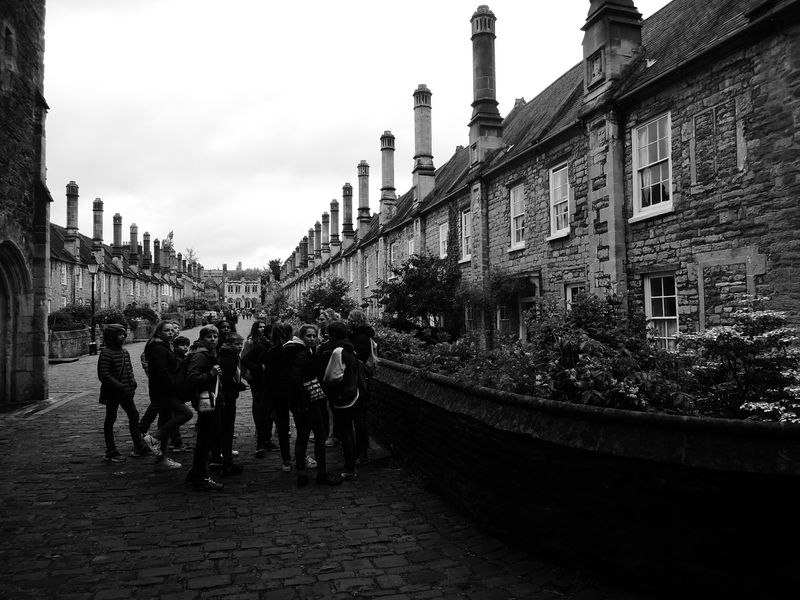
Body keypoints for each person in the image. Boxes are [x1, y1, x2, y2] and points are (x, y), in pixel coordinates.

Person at [284, 324, 341, 487]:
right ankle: (321, 474)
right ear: (301, 337)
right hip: (309, 402)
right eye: (308, 336)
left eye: (314, 336)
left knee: (302, 437)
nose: (312, 339)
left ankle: (302, 475)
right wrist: (304, 401)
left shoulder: (301, 350)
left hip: (302, 402)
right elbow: (295, 378)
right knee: (319, 436)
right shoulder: (302, 354)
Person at [142, 320, 194, 471]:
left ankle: (161, 458)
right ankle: (154, 437)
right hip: (164, 391)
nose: (171, 332)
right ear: (159, 332)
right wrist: (174, 385)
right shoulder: (157, 347)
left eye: (172, 330)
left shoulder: (164, 345)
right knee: (186, 413)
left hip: (163, 390)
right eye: (167, 330)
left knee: (165, 421)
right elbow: (161, 371)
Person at [97, 324, 151, 462]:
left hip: (126, 392)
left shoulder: (124, 352)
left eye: (123, 334)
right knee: (111, 419)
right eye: (119, 334)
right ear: (112, 337)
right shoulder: (106, 353)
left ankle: (139, 445)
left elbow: (129, 369)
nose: (123, 337)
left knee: (134, 415)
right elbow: (104, 374)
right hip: (113, 392)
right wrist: (119, 386)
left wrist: (132, 382)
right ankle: (111, 451)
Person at [322, 320, 366, 481]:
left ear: (333, 334)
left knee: (345, 431)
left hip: (343, 396)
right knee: (348, 431)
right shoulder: (350, 348)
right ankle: (351, 463)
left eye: (329, 334)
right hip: (354, 395)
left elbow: (331, 376)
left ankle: (350, 468)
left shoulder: (338, 351)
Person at [184, 325, 225, 491]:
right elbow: (192, 379)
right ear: (202, 338)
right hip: (205, 401)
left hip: (210, 399)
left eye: (215, 336)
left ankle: (196, 472)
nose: (213, 339)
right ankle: (201, 477)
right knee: (205, 439)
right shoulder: (200, 356)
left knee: (207, 437)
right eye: (209, 336)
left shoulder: (209, 353)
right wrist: (211, 374)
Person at [241, 320, 278, 456]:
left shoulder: (277, 346)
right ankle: (262, 442)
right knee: (262, 411)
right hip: (260, 382)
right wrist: (258, 369)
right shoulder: (260, 345)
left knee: (269, 412)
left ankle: (266, 439)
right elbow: (245, 360)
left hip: (272, 383)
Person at [262, 321, 294, 471]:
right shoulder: (295, 350)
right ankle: (300, 456)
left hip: (278, 392)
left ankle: (286, 459)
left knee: (283, 427)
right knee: (301, 426)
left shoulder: (271, 352)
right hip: (294, 391)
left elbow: (268, 375)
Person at [214, 332, 247, 476]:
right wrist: (239, 386)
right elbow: (226, 379)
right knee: (227, 429)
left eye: (241, 344)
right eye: (236, 344)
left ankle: (221, 458)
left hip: (226, 397)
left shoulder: (227, 354)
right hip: (226, 398)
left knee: (224, 429)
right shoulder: (229, 357)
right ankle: (227, 463)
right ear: (229, 344)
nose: (239, 347)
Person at [348, 309, 376, 465]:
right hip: (360, 380)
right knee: (359, 417)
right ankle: (359, 450)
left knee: (359, 418)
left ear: (356, 320)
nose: (348, 320)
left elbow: (358, 358)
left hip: (360, 382)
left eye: (350, 318)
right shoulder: (360, 335)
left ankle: (362, 452)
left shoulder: (362, 337)